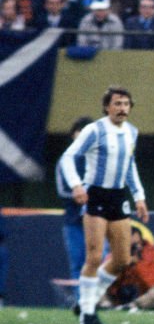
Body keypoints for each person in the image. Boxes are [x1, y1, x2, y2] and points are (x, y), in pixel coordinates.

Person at [57, 86, 149, 324]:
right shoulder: (94, 130)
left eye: (126, 104)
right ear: (107, 107)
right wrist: (77, 185)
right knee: (95, 256)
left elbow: (129, 166)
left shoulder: (132, 132)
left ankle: (88, 300)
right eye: (117, 104)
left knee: (121, 258)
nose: (122, 108)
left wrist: (139, 196)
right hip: (95, 194)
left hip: (118, 196)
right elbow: (67, 157)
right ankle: (87, 315)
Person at [55, 116, 92, 303]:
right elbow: (63, 190)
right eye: (80, 131)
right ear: (73, 135)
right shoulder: (66, 160)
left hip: (97, 218)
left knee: (98, 260)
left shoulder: (97, 158)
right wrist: (82, 195)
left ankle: (98, 299)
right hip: (74, 221)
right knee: (78, 262)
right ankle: (81, 301)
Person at [100, 226, 154, 311]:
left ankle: (132, 306)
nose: (137, 247)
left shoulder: (152, 254)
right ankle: (106, 306)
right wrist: (120, 265)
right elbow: (105, 280)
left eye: (138, 243)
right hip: (117, 297)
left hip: (143, 296)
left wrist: (138, 264)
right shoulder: (116, 253)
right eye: (132, 245)